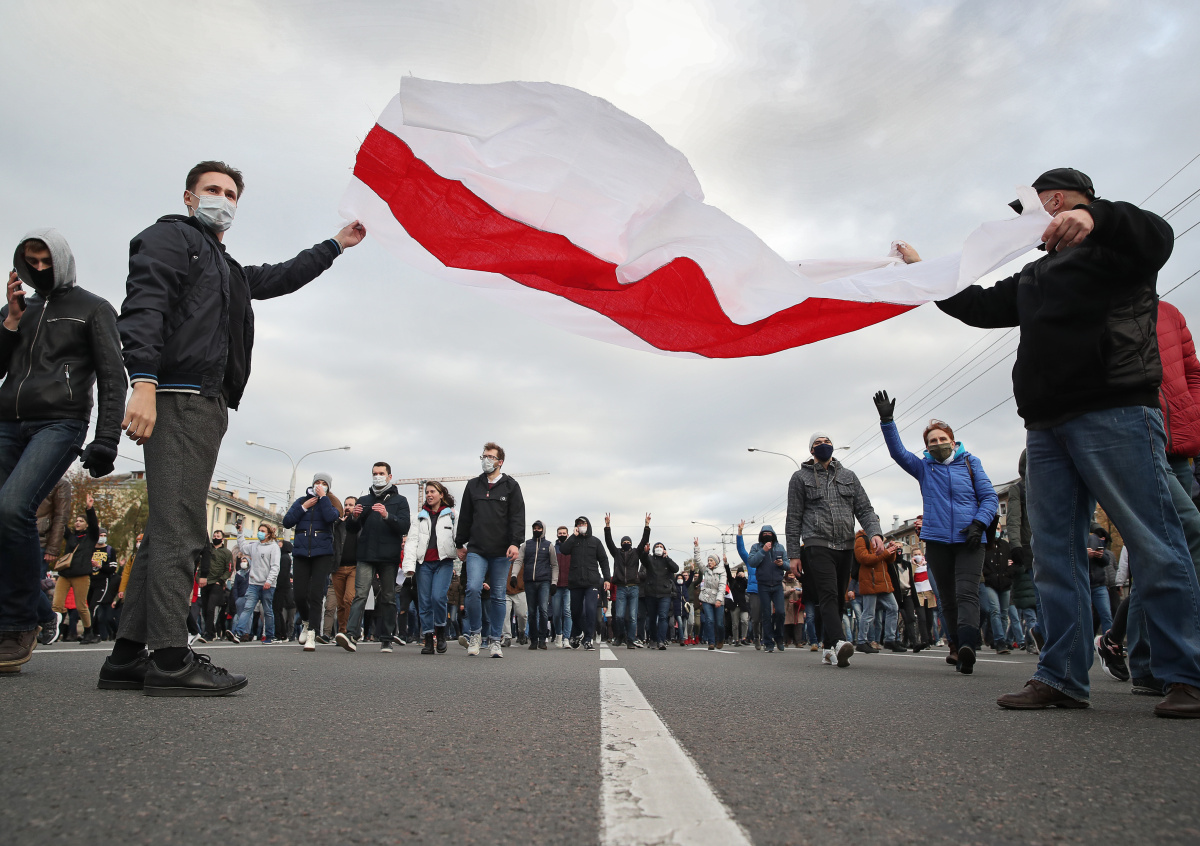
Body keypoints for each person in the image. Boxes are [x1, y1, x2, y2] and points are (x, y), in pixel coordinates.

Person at [934, 168, 1200, 714]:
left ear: (1058, 201)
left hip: (1115, 412)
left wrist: (1093, 217)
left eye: (1035, 208)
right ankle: (1061, 676)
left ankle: (1186, 674)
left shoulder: (1120, 247)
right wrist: (924, 277)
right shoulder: (1034, 276)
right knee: (1055, 557)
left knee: (1155, 543)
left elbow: (1156, 232)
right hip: (1045, 427)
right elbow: (979, 307)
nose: (1028, 222)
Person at [102, 161, 363, 694]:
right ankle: (170, 659)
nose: (221, 199)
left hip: (206, 400)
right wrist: (143, 380)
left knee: (166, 528)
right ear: (189, 197)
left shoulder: (227, 268)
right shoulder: (173, 238)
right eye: (211, 190)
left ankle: (127, 656)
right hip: (179, 395)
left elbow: (282, 275)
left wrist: (336, 244)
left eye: (230, 193)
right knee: (182, 529)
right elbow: (145, 304)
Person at [0, 231, 125, 673]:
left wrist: (106, 439)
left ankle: (17, 624)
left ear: (62, 260)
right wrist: (11, 321)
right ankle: (38, 609)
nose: (39, 269)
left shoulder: (93, 308)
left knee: (12, 508)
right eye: (30, 261)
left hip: (60, 422)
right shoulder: (19, 309)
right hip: (7, 421)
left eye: (46, 260)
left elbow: (113, 376)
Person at [874, 394, 998, 673]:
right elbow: (898, 453)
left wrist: (979, 523)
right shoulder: (924, 468)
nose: (938, 443)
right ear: (927, 447)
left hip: (971, 539)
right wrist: (887, 421)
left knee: (967, 593)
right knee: (947, 597)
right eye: (932, 441)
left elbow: (990, 497)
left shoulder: (971, 463)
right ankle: (955, 645)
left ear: (953, 442)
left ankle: (968, 645)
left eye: (942, 439)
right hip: (938, 540)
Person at [786, 432, 886, 669]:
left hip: (846, 545)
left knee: (839, 598)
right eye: (818, 443)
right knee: (828, 594)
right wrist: (794, 554)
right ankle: (841, 642)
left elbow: (865, 509)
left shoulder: (848, 476)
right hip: (817, 544)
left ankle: (828, 649)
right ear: (811, 450)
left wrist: (875, 533)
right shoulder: (800, 478)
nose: (823, 446)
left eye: (827, 442)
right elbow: (793, 518)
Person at [454, 443, 525, 657]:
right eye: (483, 456)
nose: (486, 460)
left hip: (501, 550)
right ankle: (475, 634)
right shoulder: (473, 485)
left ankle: (495, 639)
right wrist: (460, 543)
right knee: (473, 588)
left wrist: (515, 542)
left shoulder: (511, 486)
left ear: (500, 462)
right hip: (477, 548)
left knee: (497, 595)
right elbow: (465, 516)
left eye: (490, 457)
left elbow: (517, 516)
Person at [341, 462, 410, 653]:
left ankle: (386, 639)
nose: (377, 476)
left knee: (388, 597)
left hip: (388, 556)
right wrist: (354, 517)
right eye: (374, 473)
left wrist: (387, 515)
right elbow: (352, 529)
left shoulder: (400, 500)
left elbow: (404, 526)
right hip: (366, 554)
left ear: (389, 476)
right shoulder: (364, 499)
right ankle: (351, 635)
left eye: (381, 473)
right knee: (360, 595)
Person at [283, 472, 342, 652]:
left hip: (322, 554)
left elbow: (331, 518)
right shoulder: (301, 501)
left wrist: (323, 498)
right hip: (301, 552)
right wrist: (303, 507)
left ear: (328, 487)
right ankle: (306, 621)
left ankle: (312, 633)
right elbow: (287, 522)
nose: (319, 485)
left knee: (316, 595)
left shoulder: (331, 503)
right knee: (299, 595)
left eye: (324, 483)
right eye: (317, 482)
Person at [410, 481, 457, 655]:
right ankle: (428, 638)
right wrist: (409, 565)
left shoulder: (452, 514)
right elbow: (412, 541)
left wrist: (462, 550)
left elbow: (459, 536)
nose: (429, 495)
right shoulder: (419, 516)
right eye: (427, 492)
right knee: (424, 601)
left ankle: (441, 631)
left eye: (433, 492)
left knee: (438, 597)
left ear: (441, 494)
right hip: (424, 563)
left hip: (444, 562)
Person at [53, 494, 102, 645]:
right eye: (76, 521)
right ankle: (51, 631)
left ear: (86, 525)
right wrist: (57, 506)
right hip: (65, 574)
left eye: (81, 521)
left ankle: (89, 633)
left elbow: (94, 524)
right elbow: (61, 524)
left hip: (81, 575)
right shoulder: (71, 537)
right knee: (56, 604)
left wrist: (89, 509)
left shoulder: (91, 537)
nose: (77, 523)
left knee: (81, 606)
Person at [560, 517, 610, 651]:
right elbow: (563, 550)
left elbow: (604, 560)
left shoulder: (596, 542)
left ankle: (588, 639)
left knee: (590, 610)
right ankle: (577, 633)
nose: (582, 526)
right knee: (575, 612)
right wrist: (573, 536)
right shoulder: (573, 540)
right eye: (579, 524)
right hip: (575, 582)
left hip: (591, 582)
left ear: (588, 525)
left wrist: (607, 579)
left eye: (584, 523)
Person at [604, 513, 651, 649]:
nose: (626, 544)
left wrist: (647, 525)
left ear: (631, 544)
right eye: (624, 542)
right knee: (619, 616)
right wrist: (607, 526)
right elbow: (609, 542)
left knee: (632, 617)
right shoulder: (616, 553)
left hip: (634, 587)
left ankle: (631, 640)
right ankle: (619, 636)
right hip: (621, 588)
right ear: (621, 544)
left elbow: (644, 540)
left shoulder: (636, 552)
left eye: (628, 542)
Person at [229, 521, 280, 643]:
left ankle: (269, 636)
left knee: (267, 611)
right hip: (253, 584)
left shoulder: (274, 547)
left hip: (267, 585)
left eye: (263, 531)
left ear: (268, 534)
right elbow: (242, 547)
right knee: (247, 608)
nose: (260, 533)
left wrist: (269, 581)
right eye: (259, 531)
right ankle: (238, 632)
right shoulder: (254, 546)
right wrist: (240, 532)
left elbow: (275, 566)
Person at [853, 531, 903, 653]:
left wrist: (891, 551)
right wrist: (885, 552)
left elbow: (887, 560)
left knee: (893, 608)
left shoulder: (879, 539)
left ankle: (890, 639)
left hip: (883, 582)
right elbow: (863, 558)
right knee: (869, 613)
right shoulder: (861, 539)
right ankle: (862, 641)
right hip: (870, 581)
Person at [746, 525, 789, 653]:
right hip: (763, 585)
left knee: (780, 612)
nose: (766, 535)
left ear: (773, 535)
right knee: (766, 614)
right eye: (764, 533)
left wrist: (782, 564)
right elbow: (752, 562)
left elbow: (788, 565)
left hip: (777, 584)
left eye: (769, 533)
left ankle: (779, 637)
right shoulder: (756, 547)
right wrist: (763, 551)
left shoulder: (780, 547)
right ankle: (768, 642)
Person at [518, 520, 555, 650]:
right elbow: (519, 560)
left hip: (544, 581)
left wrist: (554, 582)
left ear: (543, 529)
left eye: (539, 528)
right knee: (532, 611)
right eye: (535, 528)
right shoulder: (526, 545)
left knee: (543, 610)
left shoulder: (549, 545)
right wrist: (514, 575)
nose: (537, 530)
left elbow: (554, 565)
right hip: (529, 581)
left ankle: (542, 639)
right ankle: (533, 640)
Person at [328, 495, 359, 641]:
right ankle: (341, 632)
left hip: (354, 567)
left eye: (351, 505)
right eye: (346, 504)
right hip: (338, 567)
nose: (347, 507)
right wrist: (336, 523)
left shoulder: (360, 524)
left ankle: (349, 631)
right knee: (340, 604)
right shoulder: (338, 524)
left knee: (349, 599)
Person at [200, 530, 233, 641]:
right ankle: (212, 631)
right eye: (214, 536)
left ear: (222, 539)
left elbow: (229, 569)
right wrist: (199, 578)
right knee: (204, 609)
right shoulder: (207, 549)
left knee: (210, 608)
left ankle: (208, 634)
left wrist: (221, 580)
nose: (215, 537)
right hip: (205, 581)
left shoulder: (226, 552)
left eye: (218, 536)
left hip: (217, 583)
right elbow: (201, 564)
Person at [694, 540, 727, 650]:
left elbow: (722, 586)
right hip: (706, 598)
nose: (709, 562)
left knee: (719, 623)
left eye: (711, 560)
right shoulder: (706, 570)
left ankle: (720, 639)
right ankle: (711, 642)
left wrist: (719, 600)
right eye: (708, 560)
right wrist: (696, 547)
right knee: (709, 620)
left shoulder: (722, 572)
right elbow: (698, 561)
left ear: (716, 562)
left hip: (718, 599)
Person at [88, 528, 120, 641]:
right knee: (89, 607)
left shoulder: (110, 550)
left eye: (104, 535)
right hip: (89, 580)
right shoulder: (90, 549)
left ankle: (93, 633)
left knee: (94, 607)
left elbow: (112, 569)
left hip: (102, 582)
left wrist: (100, 566)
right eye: (100, 535)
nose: (102, 537)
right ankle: (92, 632)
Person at [735, 520, 761, 648]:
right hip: (754, 591)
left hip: (767, 589)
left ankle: (768, 638)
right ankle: (756, 637)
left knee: (767, 616)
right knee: (755, 617)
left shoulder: (766, 559)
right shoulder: (750, 561)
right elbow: (741, 550)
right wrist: (740, 532)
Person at [551, 526, 573, 648]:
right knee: (556, 614)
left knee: (567, 611)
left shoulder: (572, 549)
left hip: (569, 585)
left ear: (568, 535)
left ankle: (566, 638)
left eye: (564, 533)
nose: (562, 535)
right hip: (556, 585)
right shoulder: (553, 549)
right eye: (560, 533)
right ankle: (558, 634)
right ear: (557, 535)